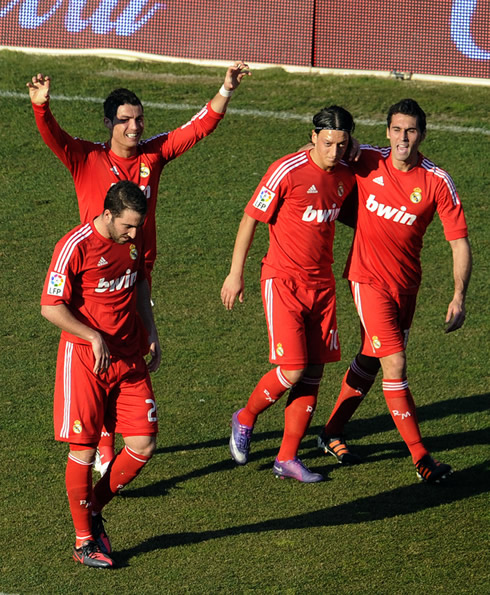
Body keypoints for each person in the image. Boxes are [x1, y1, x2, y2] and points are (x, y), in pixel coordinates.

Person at [28, 62, 251, 475]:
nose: (134, 127)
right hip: (94, 275)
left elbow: (196, 129)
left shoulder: (154, 155)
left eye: (139, 119)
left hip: (137, 271)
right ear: (109, 123)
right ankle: (102, 443)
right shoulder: (87, 158)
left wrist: (226, 88)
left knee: (130, 349)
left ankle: (111, 439)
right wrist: (42, 108)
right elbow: (54, 138)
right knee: (105, 346)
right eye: (125, 120)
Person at [316, 98, 472, 483]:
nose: (404, 138)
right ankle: (422, 459)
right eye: (397, 130)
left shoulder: (437, 180)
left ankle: (330, 431)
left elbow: (459, 242)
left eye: (412, 130)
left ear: (422, 134)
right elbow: (320, 151)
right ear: (387, 131)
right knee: (395, 364)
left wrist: (458, 296)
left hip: (406, 287)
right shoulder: (365, 159)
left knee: (371, 357)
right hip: (367, 280)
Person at [221, 106, 357, 482]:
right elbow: (251, 217)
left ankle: (287, 458)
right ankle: (245, 417)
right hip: (282, 281)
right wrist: (236, 274)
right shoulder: (287, 170)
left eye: (342, 144)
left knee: (313, 372)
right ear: (313, 136)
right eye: (328, 143)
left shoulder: (347, 173)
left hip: (323, 286)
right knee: (293, 368)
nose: (334, 152)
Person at [41, 181, 160, 568]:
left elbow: (140, 281)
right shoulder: (74, 246)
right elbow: (50, 306)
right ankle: (83, 542)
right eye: (127, 226)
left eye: (137, 226)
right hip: (84, 361)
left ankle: (91, 507)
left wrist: (152, 331)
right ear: (107, 214)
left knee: (143, 444)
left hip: (129, 357)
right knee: (84, 449)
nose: (133, 234)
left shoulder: (133, 240)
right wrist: (91, 335)